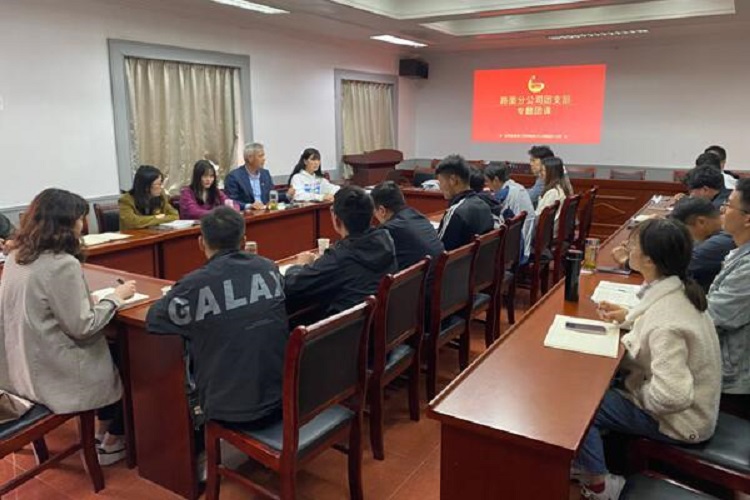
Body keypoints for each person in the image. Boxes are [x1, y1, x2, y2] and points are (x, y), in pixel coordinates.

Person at [574, 218, 721, 500]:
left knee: (585, 403)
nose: (627, 248)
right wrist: (628, 316)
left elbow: (672, 396)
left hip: (683, 421)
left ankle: (598, 485)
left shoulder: (667, 322)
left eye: (633, 245)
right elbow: (654, 319)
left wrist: (632, 394)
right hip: (691, 405)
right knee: (602, 386)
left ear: (650, 260)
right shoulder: (678, 289)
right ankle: (589, 454)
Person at [0, 188, 137, 465]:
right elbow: (83, 326)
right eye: (79, 219)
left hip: (22, 368)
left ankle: (103, 429)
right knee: (129, 358)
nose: (83, 225)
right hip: (54, 374)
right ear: (64, 223)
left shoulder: (16, 256)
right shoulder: (62, 264)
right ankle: (113, 437)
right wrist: (115, 298)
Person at [146, 207, 288, 426]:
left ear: (201, 243)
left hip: (228, 409)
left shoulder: (193, 285)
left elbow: (154, 319)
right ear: (244, 241)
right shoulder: (268, 267)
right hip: (282, 397)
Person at [284, 186, 397, 316]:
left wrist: (299, 266)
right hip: (378, 321)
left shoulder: (340, 257)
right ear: (372, 215)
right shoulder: (386, 239)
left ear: (336, 219)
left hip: (346, 327)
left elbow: (292, 286)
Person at [708, 179, 750, 399]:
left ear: (747, 219)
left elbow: (711, 317)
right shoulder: (739, 250)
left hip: (730, 379)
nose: (722, 209)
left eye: (729, 204)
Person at [371, 181, 444, 271]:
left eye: (374, 212)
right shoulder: (417, 214)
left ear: (382, 210)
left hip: (423, 278)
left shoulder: (388, 229)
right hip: (441, 274)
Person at [669, 197, 735, 292]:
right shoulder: (723, 229)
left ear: (701, 222)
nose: (685, 236)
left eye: (685, 231)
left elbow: (673, 267)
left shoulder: (720, 242)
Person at [434, 155, 494, 251]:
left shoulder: (456, 213)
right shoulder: (484, 206)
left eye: (440, 182)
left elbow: (439, 251)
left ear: (453, 180)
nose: (440, 188)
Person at [484, 162, 536, 263]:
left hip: (517, 250)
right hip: (525, 241)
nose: (486, 185)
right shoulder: (517, 187)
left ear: (496, 180)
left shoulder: (505, 193)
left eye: (487, 181)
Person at [225, 143, 293, 210]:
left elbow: (271, 195)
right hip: (248, 214)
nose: (264, 159)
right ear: (250, 158)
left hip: (266, 212)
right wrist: (249, 206)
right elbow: (231, 201)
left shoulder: (265, 174)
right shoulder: (234, 177)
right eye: (260, 156)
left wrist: (287, 195)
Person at [119, 165, 179, 229]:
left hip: (154, 233)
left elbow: (175, 215)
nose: (162, 187)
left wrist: (149, 220)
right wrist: (157, 217)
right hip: (133, 234)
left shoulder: (161, 196)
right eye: (158, 184)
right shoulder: (126, 200)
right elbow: (132, 222)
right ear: (146, 187)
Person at [535, 156, 573, 232]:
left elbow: (539, 218)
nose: (540, 174)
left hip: (547, 232)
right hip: (553, 230)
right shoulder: (562, 187)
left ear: (552, 173)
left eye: (543, 171)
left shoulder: (553, 192)